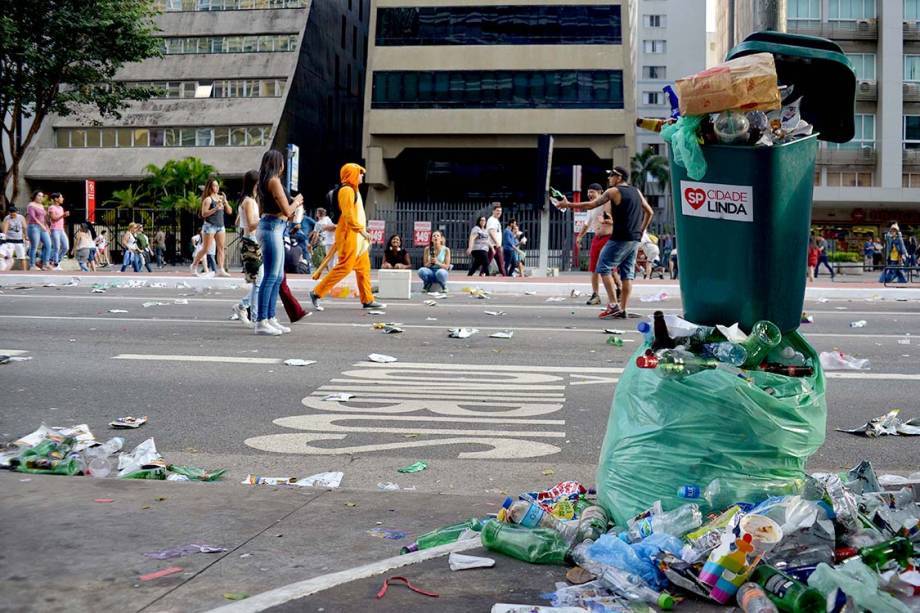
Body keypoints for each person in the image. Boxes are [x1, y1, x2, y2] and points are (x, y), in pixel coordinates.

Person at [557, 166, 654, 319]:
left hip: (620, 237)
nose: (609, 179)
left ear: (619, 177)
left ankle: (613, 305)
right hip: (634, 238)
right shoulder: (637, 191)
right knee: (627, 274)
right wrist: (641, 230)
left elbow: (591, 205)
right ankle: (623, 309)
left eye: (611, 176)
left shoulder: (613, 191)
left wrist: (568, 204)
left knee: (603, 267)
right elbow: (650, 212)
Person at [310, 164, 384, 311]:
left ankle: (368, 299)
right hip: (349, 235)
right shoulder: (347, 191)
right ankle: (317, 292)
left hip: (357, 237)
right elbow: (348, 215)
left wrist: (362, 232)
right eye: (360, 173)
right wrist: (361, 231)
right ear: (352, 174)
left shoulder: (354, 190)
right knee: (345, 267)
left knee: (363, 269)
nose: (362, 176)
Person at [253, 150, 304, 335]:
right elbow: (288, 211)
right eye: (282, 162)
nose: (283, 166)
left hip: (274, 226)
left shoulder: (264, 181)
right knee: (271, 276)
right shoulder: (273, 181)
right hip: (272, 227)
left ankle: (270, 317)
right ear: (278, 164)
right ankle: (262, 321)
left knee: (277, 277)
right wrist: (297, 201)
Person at [575, 183, 617, 306]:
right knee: (593, 268)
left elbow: (616, 220)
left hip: (609, 238)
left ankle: (617, 290)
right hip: (596, 238)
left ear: (600, 193)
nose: (589, 194)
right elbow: (587, 224)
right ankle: (595, 294)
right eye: (588, 192)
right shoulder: (591, 207)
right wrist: (579, 236)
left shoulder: (607, 203)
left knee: (610, 269)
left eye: (592, 192)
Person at [233, 169, 262, 327]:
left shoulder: (248, 200)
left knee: (259, 281)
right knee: (259, 281)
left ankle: (243, 306)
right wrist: (264, 218)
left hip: (251, 241)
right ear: (256, 183)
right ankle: (253, 314)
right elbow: (251, 225)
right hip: (251, 242)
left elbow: (239, 222)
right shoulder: (249, 202)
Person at [191, 178, 232, 277]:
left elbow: (230, 211)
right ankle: (194, 265)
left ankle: (221, 269)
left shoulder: (221, 198)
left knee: (221, 248)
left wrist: (225, 202)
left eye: (217, 185)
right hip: (210, 226)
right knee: (205, 249)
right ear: (210, 187)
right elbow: (204, 213)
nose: (217, 187)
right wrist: (215, 208)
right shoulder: (208, 199)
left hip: (220, 226)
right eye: (214, 185)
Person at [26, 191, 53, 270]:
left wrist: (47, 227)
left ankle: (45, 264)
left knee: (48, 244)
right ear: (35, 196)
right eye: (39, 196)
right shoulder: (30, 205)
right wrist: (41, 225)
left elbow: (43, 218)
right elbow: (33, 217)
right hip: (33, 227)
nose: (41, 197)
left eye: (42, 196)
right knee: (34, 246)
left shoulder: (41, 205)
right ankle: (32, 265)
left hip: (42, 227)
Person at [47, 193, 70, 269]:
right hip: (54, 229)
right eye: (61, 197)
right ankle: (55, 264)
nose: (62, 198)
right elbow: (53, 218)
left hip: (61, 230)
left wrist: (64, 215)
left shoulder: (61, 208)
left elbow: (60, 218)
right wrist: (63, 215)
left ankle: (55, 260)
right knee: (56, 247)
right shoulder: (51, 208)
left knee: (66, 247)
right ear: (56, 199)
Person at [485, 203, 506, 276]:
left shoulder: (496, 220)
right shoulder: (492, 220)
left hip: (497, 246)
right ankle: (482, 274)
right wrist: (497, 242)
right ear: (493, 211)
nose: (499, 212)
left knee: (501, 263)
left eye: (500, 211)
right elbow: (491, 232)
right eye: (497, 211)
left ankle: (504, 276)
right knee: (488, 262)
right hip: (493, 245)